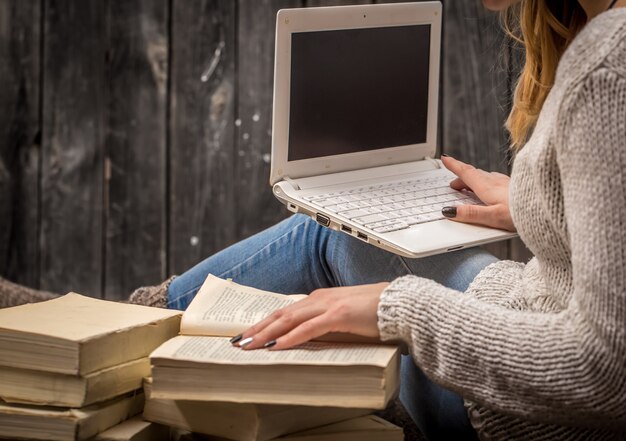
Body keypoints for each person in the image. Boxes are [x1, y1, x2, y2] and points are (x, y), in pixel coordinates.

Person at [3, 0, 624, 439]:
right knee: (334, 226)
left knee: (324, 234)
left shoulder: (607, 65)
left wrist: (396, 307)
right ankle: (120, 328)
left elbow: (605, 371)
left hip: (514, 416)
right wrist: (535, 202)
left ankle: (114, 334)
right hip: (517, 311)